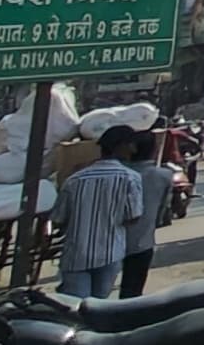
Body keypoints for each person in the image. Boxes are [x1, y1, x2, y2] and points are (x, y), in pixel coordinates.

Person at [54, 125, 146, 299]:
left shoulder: (74, 180)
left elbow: (59, 219)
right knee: (99, 305)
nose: (134, 149)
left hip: (75, 255)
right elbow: (133, 216)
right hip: (110, 253)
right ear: (121, 146)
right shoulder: (131, 178)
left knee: (75, 305)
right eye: (131, 144)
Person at [120, 129, 172, 298]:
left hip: (108, 243)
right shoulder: (164, 175)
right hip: (142, 242)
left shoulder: (117, 173)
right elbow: (162, 213)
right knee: (132, 293)